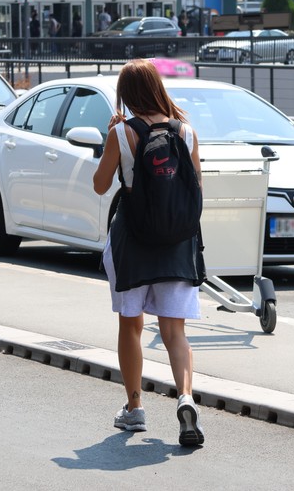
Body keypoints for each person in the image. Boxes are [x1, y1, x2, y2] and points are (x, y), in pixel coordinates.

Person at [92, 59, 205, 447]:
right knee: (175, 331)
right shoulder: (186, 132)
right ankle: (186, 398)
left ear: (127, 95)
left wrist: (111, 138)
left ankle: (134, 407)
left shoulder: (122, 134)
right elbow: (197, 185)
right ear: (157, 87)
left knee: (131, 324)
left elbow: (99, 185)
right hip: (177, 244)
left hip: (133, 241)